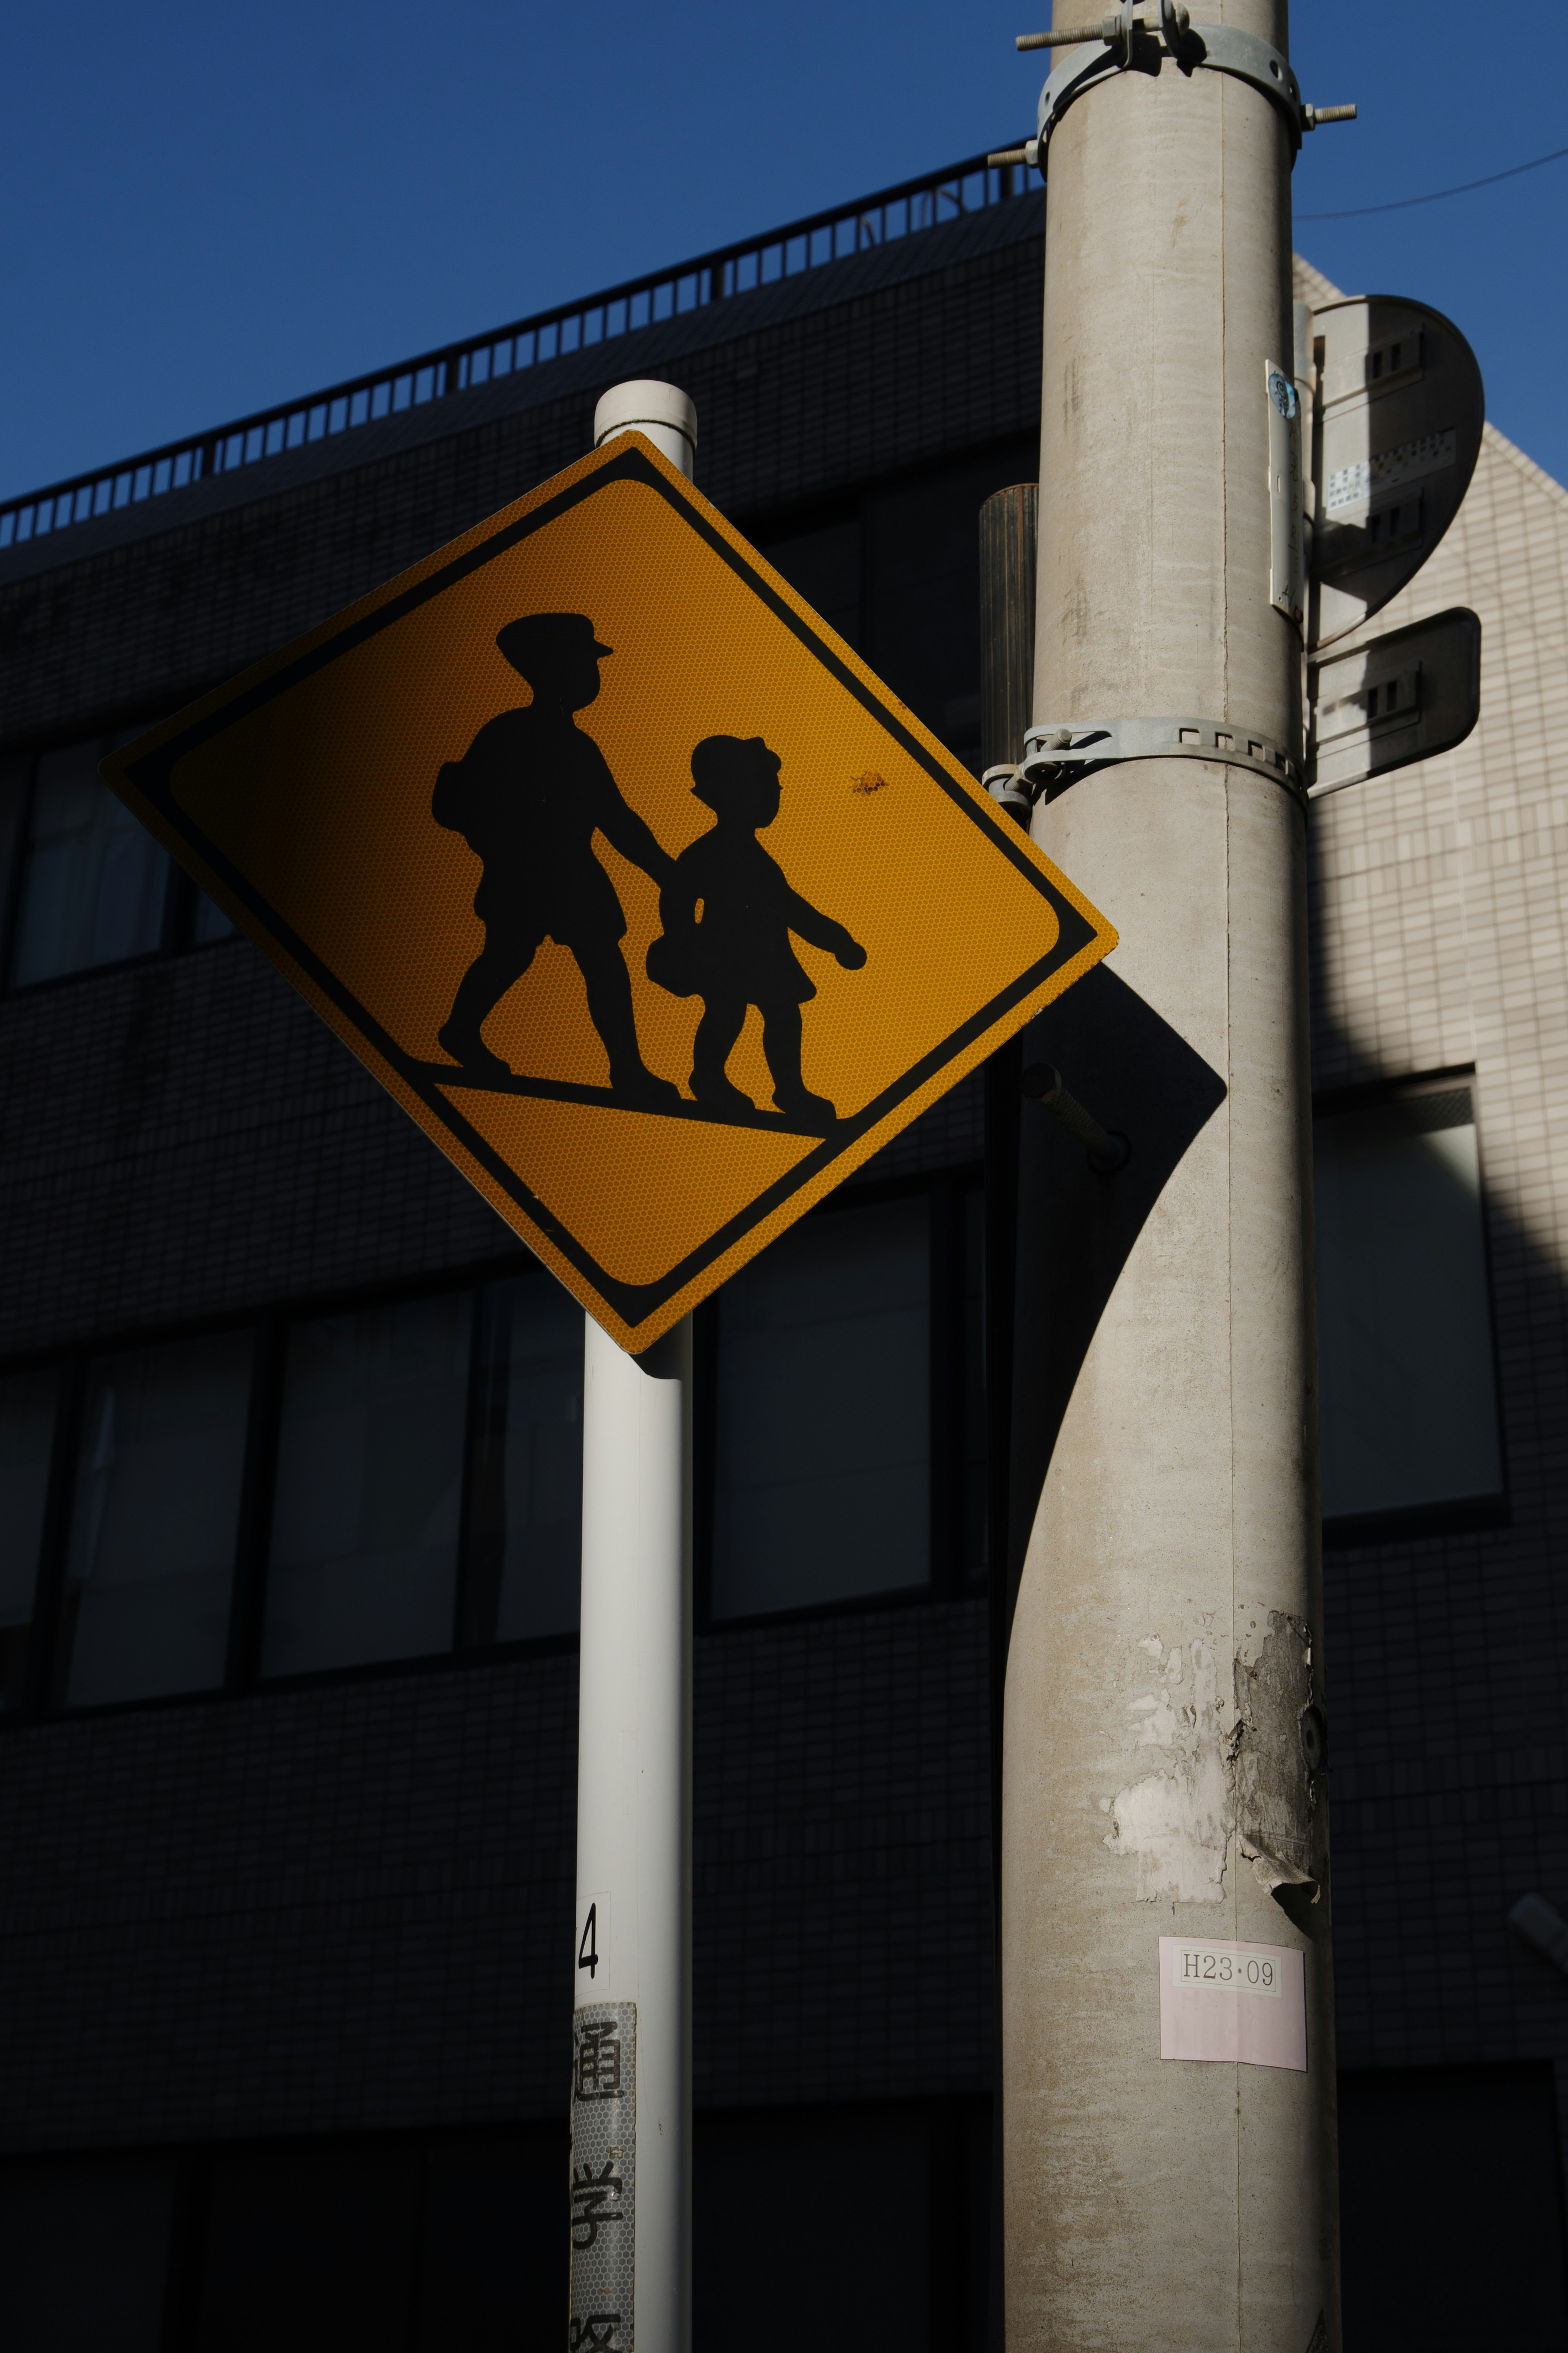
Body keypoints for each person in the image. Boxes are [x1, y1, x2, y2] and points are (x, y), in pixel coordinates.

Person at [432, 611, 679, 1103]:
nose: (592, 677)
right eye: (584, 665)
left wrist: (666, 873)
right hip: (526, 872)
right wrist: (665, 873)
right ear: (554, 671)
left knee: (599, 959)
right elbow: (612, 820)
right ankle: (461, 1030)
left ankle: (627, 1069)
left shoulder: (575, 743)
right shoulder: (510, 733)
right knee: (510, 954)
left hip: (570, 871)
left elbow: (616, 819)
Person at [646, 733, 866, 1127]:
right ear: (723, 793)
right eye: (762, 785)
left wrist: (836, 940)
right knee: (726, 1013)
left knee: (784, 1016)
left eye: (773, 786)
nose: (773, 793)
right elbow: (677, 895)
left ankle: (789, 1089)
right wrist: (682, 939)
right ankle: (709, 1076)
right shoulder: (709, 852)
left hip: (767, 956)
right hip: (725, 954)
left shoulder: (758, 861)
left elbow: (793, 910)